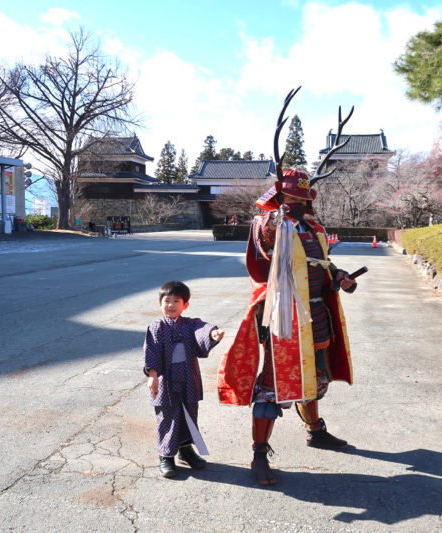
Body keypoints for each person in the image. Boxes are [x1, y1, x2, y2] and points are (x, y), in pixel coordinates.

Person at [217, 169, 358, 486]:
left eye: (302, 198)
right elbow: (268, 241)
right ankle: (258, 454)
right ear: (279, 197)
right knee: (273, 385)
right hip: (284, 318)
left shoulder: (315, 228)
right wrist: (277, 216)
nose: (298, 203)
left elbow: (324, 266)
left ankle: (315, 432)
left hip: (318, 315)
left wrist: (340, 279)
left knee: (315, 377)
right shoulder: (269, 224)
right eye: (292, 197)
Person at [144, 281, 224, 478]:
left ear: (185, 305)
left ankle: (186, 451)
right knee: (167, 417)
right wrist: (152, 376)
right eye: (167, 300)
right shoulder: (156, 328)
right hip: (166, 381)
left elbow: (202, 330)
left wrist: (213, 333)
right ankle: (166, 456)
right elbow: (151, 352)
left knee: (189, 414)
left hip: (188, 378)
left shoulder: (190, 324)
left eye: (176, 301)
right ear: (160, 303)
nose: (171, 305)